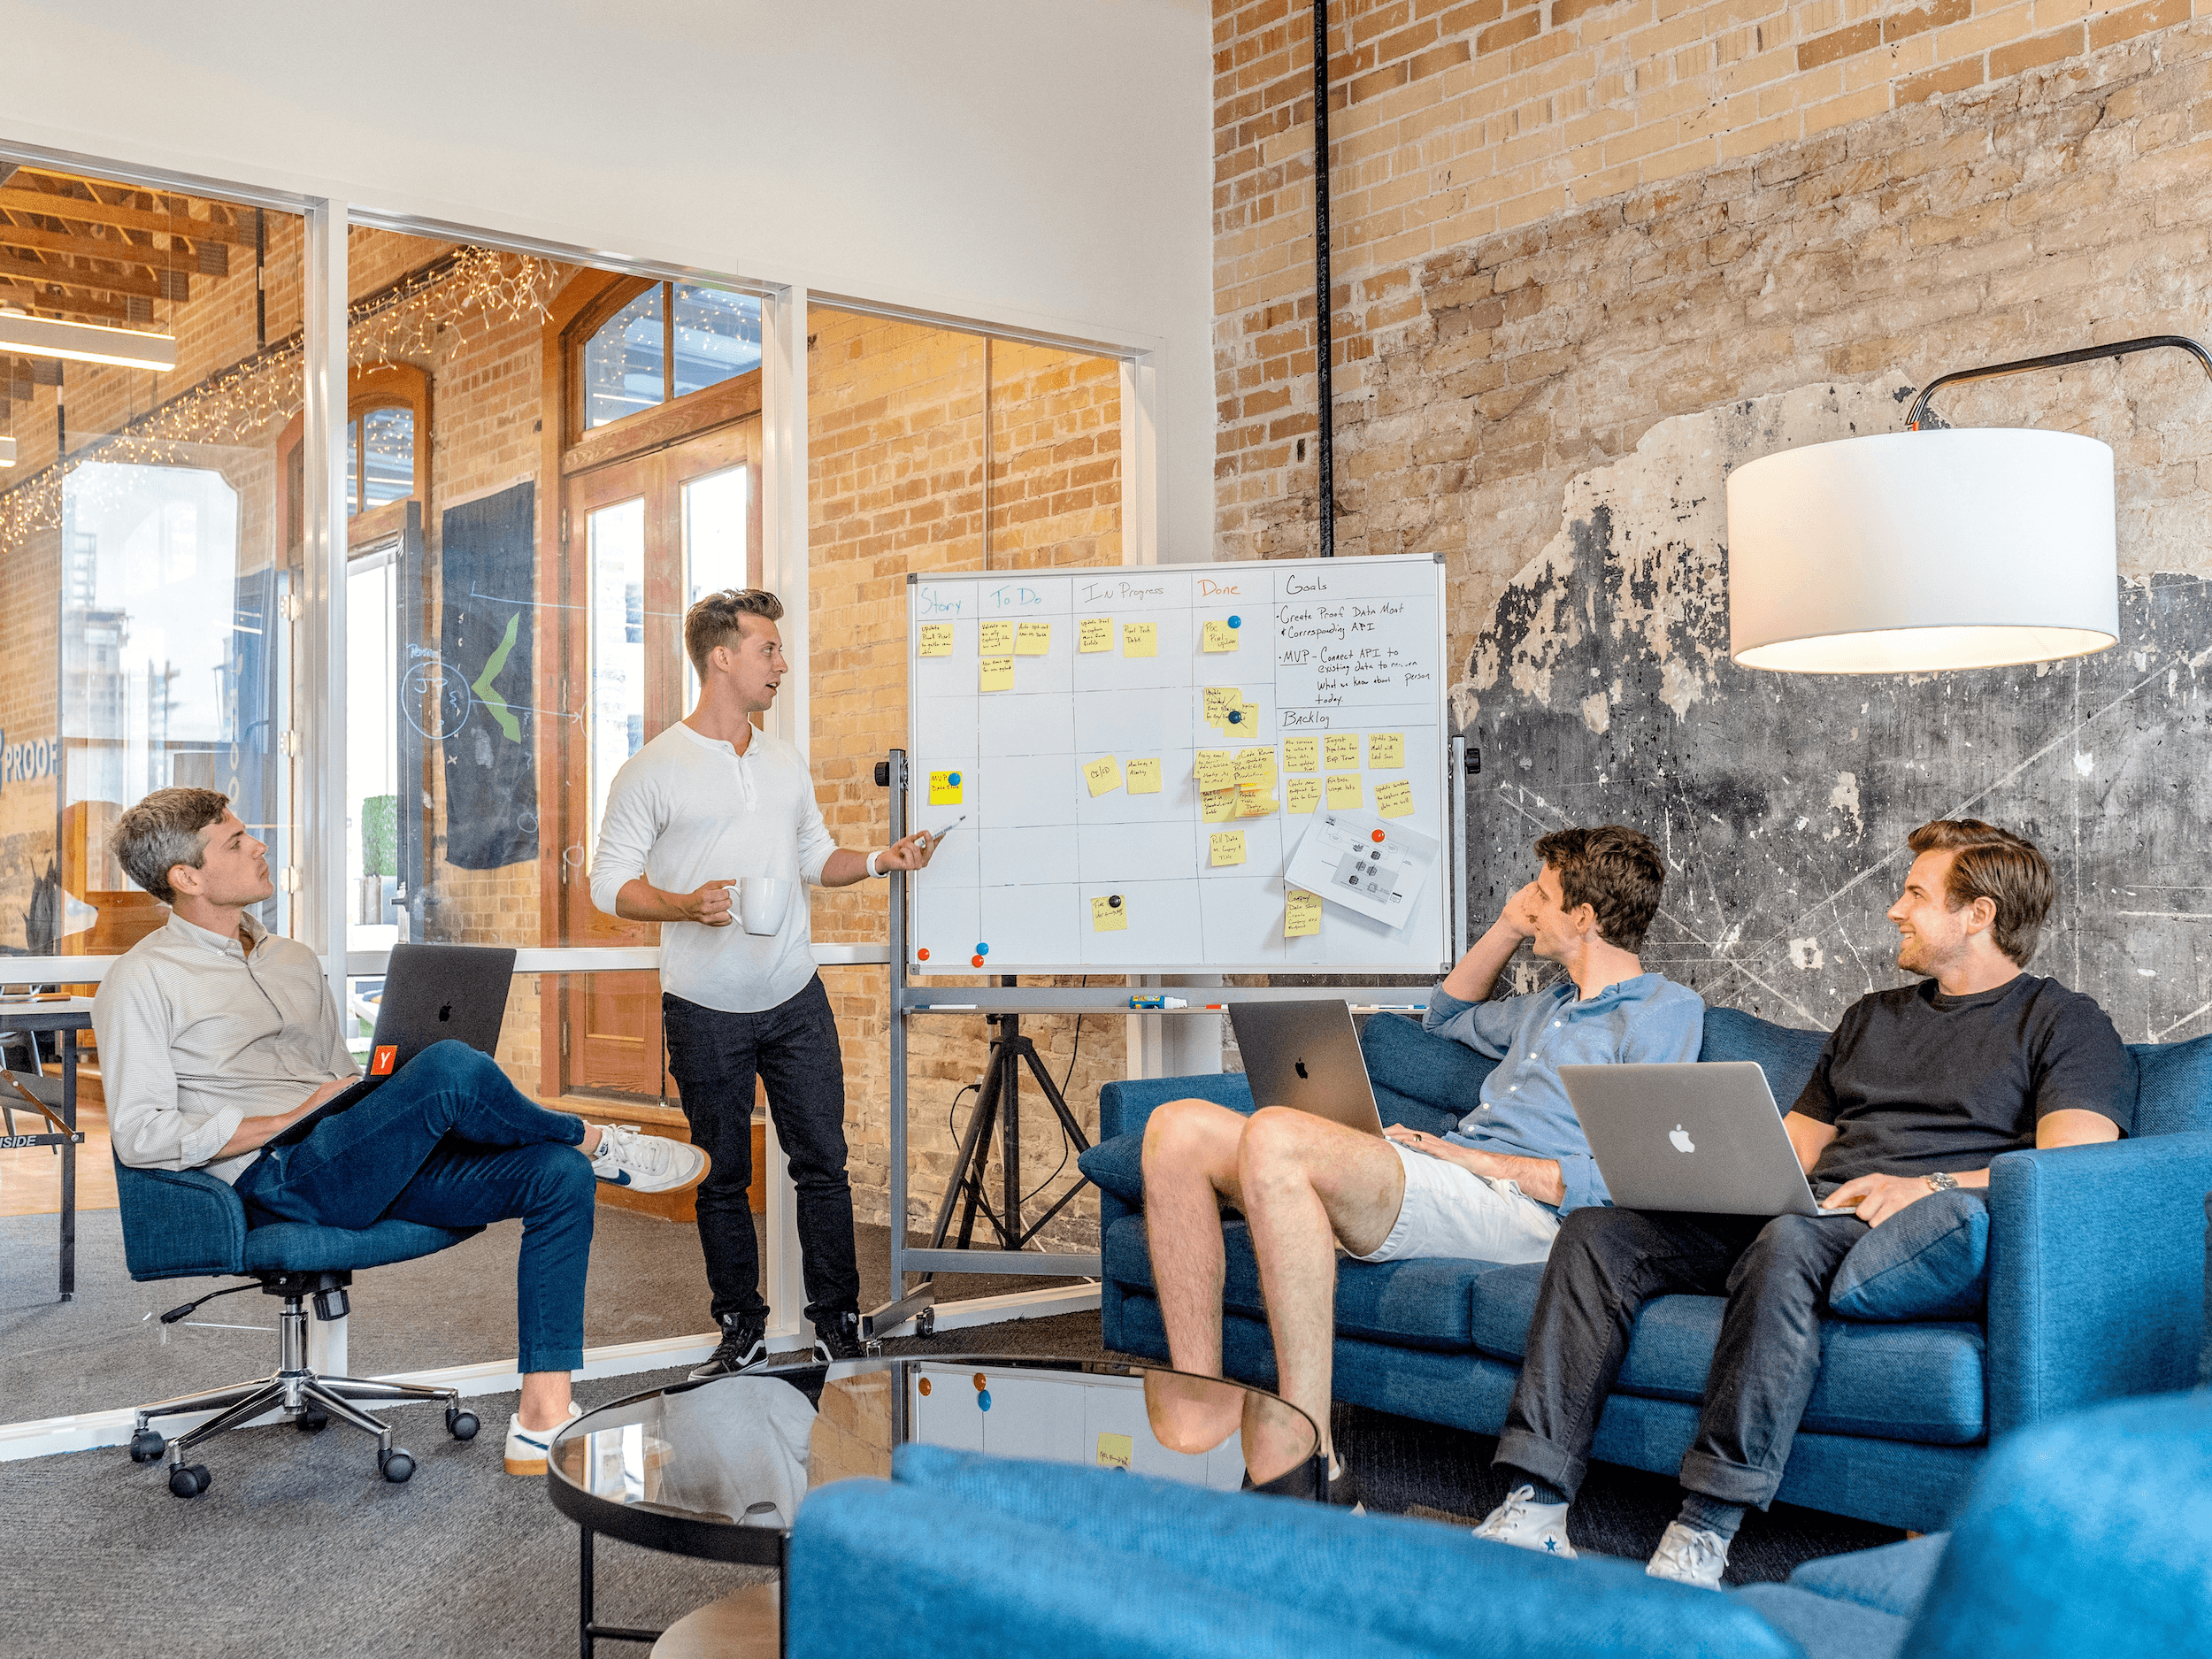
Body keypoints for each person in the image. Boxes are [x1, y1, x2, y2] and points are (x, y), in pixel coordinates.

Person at [1478, 818, 2134, 1586]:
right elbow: (1789, 1150)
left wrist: (1927, 1185)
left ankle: (1704, 1527)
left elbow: (2074, 1164)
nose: (1895, 907)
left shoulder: (2064, 1021)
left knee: (1787, 1239)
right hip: (1810, 1214)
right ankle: (1537, 1502)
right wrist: (1699, 1173)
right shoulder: (1871, 1017)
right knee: (1598, 1231)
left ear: (1979, 913)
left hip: (1915, 1229)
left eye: (1916, 893)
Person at [93, 787, 706, 1479]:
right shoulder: (140, 979)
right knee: (449, 1069)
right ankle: (592, 1139)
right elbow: (141, 1134)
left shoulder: (292, 959)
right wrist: (286, 1118)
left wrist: (369, 1092)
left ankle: (541, 1418)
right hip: (277, 1176)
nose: (259, 844)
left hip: (348, 1154)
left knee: (552, 1176)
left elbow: (338, 1077)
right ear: (186, 877)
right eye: (235, 841)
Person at [1141, 825, 1704, 1501]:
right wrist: (1504, 926)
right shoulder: (1546, 1008)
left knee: (1277, 1136)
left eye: (1542, 894)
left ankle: (1310, 1455)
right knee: (1176, 1128)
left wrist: (1477, 1160)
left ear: (1583, 917)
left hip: (1525, 1212)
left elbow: (1634, 1174)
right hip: (1452, 1181)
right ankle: (1203, 1393)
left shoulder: (1663, 1012)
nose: (1528, 900)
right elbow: (1443, 1015)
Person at [589, 588, 937, 1376]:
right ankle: (740, 1326)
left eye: (778, 650)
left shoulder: (783, 762)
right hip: (704, 1005)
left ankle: (837, 1321)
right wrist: (684, 903)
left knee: (823, 1161)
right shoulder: (653, 768)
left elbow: (817, 857)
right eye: (768, 649)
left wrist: (882, 859)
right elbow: (608, 884)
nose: (782, 663)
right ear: (722, 656)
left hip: (794, 996)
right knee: (722, 1169)